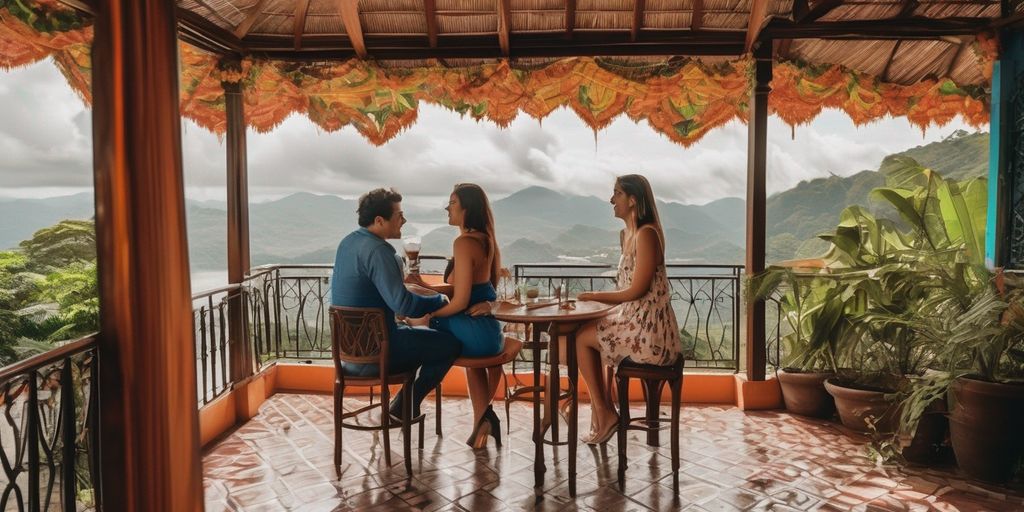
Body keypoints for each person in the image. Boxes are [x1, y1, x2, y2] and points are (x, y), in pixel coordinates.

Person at [330, 187, 461, 423]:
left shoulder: (347, 243)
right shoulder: (380, 251)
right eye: (399, 215)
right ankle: (406, 402)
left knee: (421, 336)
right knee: (449, 344)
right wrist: (439, 299)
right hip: (381, 353)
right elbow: (403, 305)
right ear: (379, 220)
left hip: (348, 357)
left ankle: (403, 403)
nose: (404, 220)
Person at [574, 174, 682, 445]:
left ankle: (604, 412)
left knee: (581, 338)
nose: (611, 200)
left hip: (651, 331)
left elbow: (636, 291)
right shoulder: (626, 235)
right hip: (634, 318)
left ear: (633, 200)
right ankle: (601, 410)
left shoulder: (647, 235)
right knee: (579, 333)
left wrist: (594, 295)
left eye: (617, 194)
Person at [408, 183, 504, 449]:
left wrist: (428, 314)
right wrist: (423, 286)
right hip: (487, 331)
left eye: (452, 203)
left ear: (466, 208)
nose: (446, 208)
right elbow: (463, 289)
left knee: (414, 324)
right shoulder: (485, 239)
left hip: (473, 329)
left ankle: (408, 400)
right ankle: (482, 424)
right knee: (475, 370)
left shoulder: (463, 242)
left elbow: (460, 300)